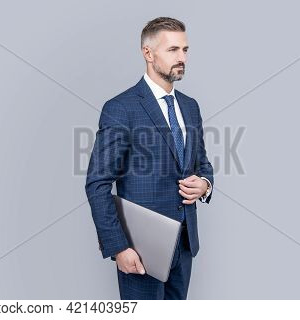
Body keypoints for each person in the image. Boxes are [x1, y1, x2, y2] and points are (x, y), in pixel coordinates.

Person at [85, 17, 214, 300]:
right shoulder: (121, 108)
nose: (182, 58)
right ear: (148, 53)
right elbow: (97, 184)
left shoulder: (190, 108)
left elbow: (202, 162)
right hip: (141, 251)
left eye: (185, 49)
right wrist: (119, 247)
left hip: (184, 244)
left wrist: (205, 184)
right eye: (173, 50)